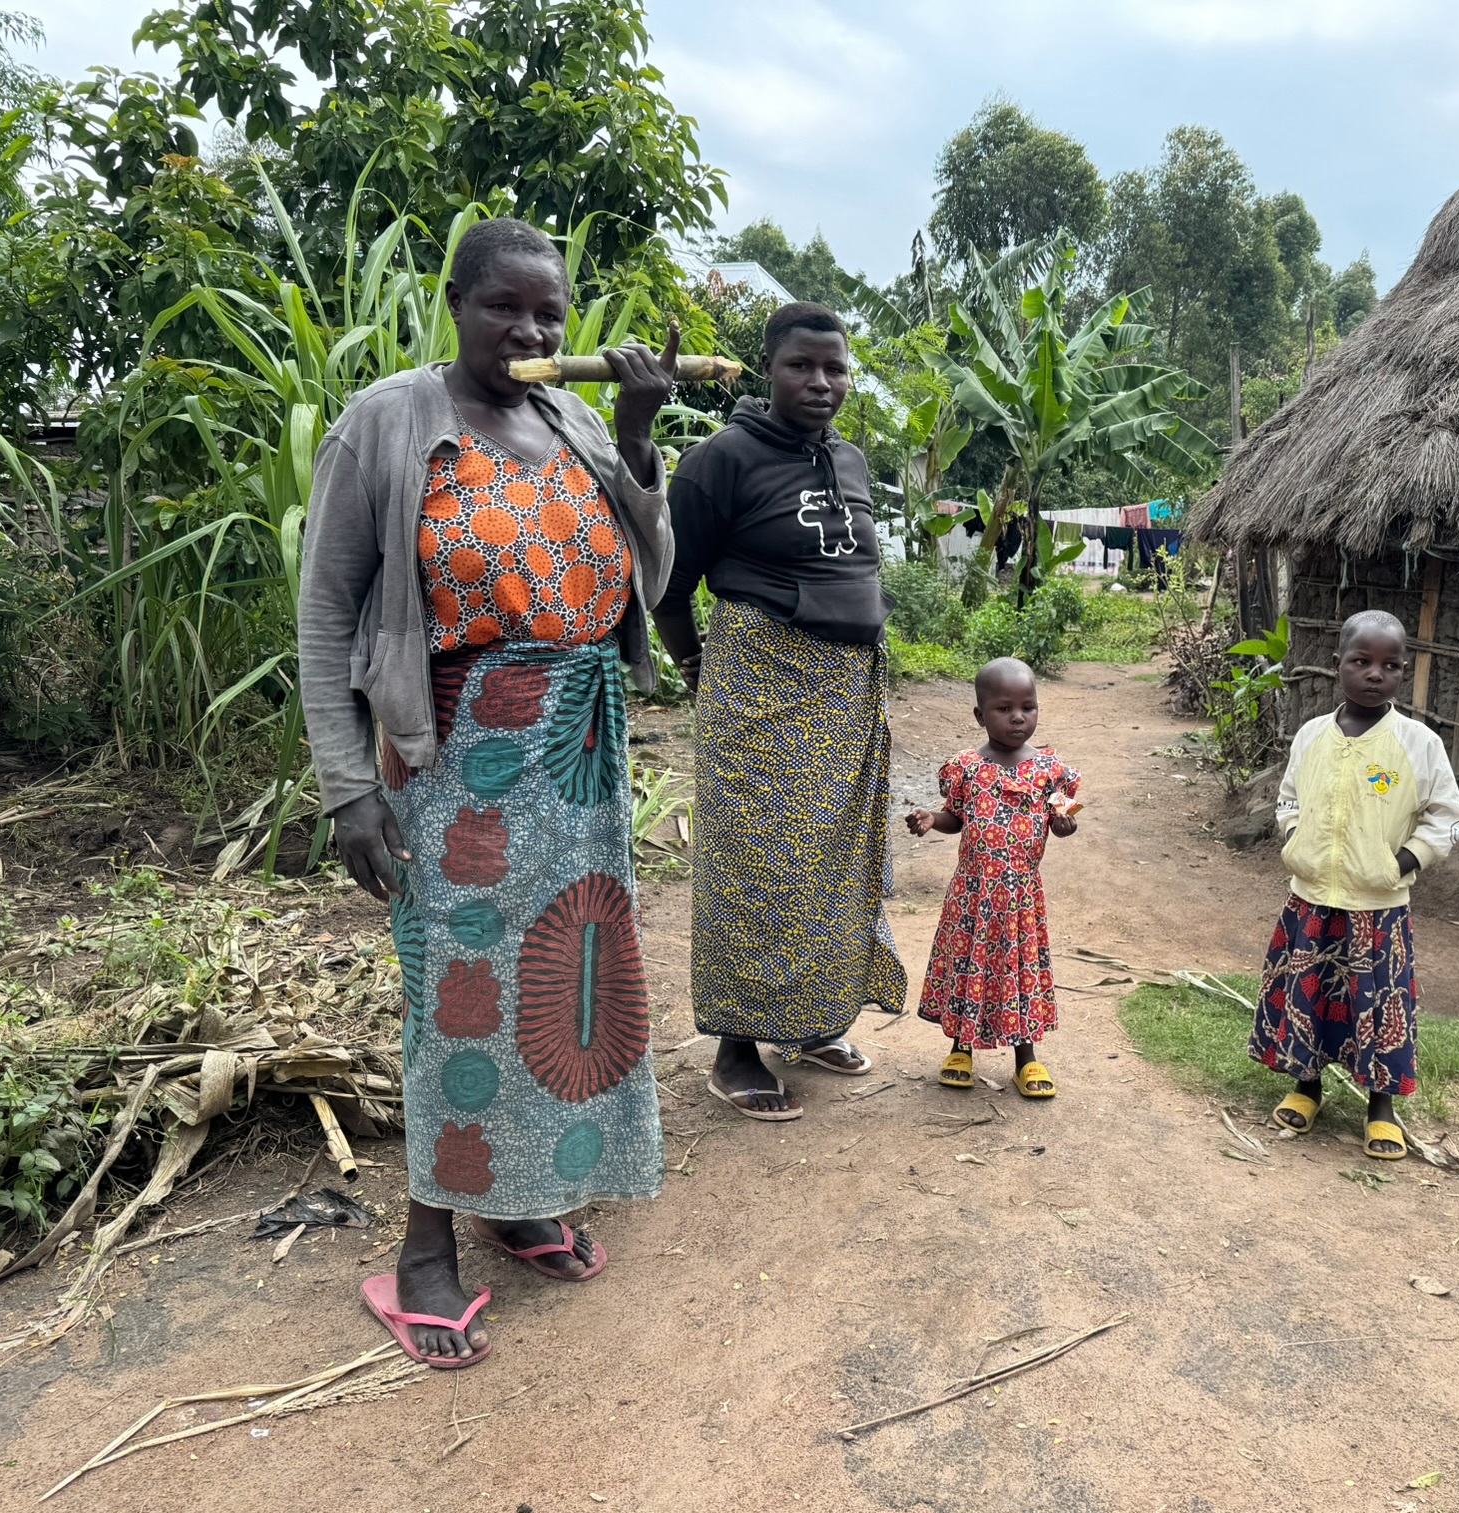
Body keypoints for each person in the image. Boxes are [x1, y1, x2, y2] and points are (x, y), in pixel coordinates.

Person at [299, 217, 678, 1366]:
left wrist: (634, 435)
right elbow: (325, 613)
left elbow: (648, 577)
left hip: (577, 764)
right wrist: (347, 788)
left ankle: (519, 1199)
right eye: (502, 307)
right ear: (452, 298)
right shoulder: (391, 420)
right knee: (459, 996)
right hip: (456, 761)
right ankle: (423, 1246)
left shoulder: (565, 417)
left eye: (549, 315)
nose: (528, 331)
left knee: (562, 986)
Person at [653, 302, 904, 1120]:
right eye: (803, 365)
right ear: (769, 366)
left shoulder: (853, 460)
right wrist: (696, 667)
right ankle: (736, 1046)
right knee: (758, 871)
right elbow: (666, 582)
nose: (821, 382)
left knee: (831, 867)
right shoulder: (720, 459)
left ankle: (814, 1022)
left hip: (844, 698)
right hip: (762, 692)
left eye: (835, 368)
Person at [1249, 610, 1459, 1159]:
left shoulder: (1418, 744)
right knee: (1309, 996)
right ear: (1336, 665)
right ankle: (1306, 1086)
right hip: (1311, 900)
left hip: (1379, 905)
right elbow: (1289, 798)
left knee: (1379, 1007)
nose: (1376, 674)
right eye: (1361, 662)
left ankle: (1381, 1107)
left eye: (1391, 665)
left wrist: (1404, 861)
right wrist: (1297, 838)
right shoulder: (1312, 736)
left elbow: (1448, 816)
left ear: (1402, 672)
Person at [906, 658, 1080, 1099]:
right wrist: (933, 818)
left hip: (1021, 897)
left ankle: (1027, 1059)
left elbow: (1064, 817)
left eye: (1028, 706)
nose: (1019, 717)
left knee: (1019, 972)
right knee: (970, 966)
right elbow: (957, 818)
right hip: (973, 895)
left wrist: (1064, 826)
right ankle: (961, 1048)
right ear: (981, 716)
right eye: (1004, 708)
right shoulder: (965, 767)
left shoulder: (1050, 771)